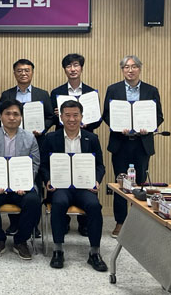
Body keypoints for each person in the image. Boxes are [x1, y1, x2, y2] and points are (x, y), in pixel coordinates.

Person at [42, 100, 108, 271]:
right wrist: (48, 180)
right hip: (60, 187)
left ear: (81, 116)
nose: (71, 119)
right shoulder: (51, 138)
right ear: (61, 117)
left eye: (75, 115)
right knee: (58, 203)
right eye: (67, 115)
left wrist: (96, 180)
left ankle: (94, 252)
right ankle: (58, 250)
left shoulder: (91, 138)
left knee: (94, 206)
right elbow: (43, 165)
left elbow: (100, 166)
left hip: (83, 187)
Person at [103, 55, 164, 238]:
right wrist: (117, 126)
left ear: (140, 68)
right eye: (126, 67)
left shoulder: (151, 90)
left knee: (140, 184)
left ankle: (138, 222)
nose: (130, 70)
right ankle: (120, 222)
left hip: (141, 143)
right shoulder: (113, 89)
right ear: (122, 70)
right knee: (121, 183)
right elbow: (106, 114)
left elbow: (159, 116)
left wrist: (149, 127)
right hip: (120, 143)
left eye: (134, 66)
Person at [0, 58, 54, 237]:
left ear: (32, 73)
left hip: (35, 143)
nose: (23, 73)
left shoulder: (42, 94)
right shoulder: (6, 95)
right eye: (19, 70)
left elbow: (50, 117)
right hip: (12, 144)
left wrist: (42, 129)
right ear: (14, 73)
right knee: (13, 181)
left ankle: (33, 225)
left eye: (27, 70)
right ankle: (14, 223)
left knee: (34, 182)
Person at [0, 99, 41, 260]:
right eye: (8, 114)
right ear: (0, 116)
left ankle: (21, 241)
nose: (12, 117)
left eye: (16, 114)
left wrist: (26, 183)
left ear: (21, 117)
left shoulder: (30, 138)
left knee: (33, 200)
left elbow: (35, 163)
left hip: (21, 187)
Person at [50, 53, 101, 236]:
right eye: (69, 66)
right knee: (63, 179)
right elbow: (52, 119)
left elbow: (98, 119)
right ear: (64, 69)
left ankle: (84, 223)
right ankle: (62, 222)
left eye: (76, 65)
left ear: (81, 68)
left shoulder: (91, 92)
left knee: (83, 177)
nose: (73, 69)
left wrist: (86, 124)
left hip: (83, 139)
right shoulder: (56, 92)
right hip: (62, 140)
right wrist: (57, 115)